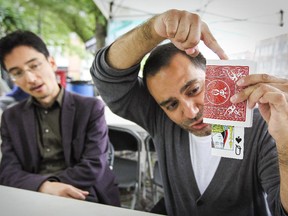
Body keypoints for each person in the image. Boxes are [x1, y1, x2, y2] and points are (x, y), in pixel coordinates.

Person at [90, 9, 288, 215]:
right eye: (171, 105)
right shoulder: (160, 120)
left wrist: (286, 142)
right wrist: (155, 29)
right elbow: (107, 77)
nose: (191, 111)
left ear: (213, 75)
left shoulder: (264, 128)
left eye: (194, 90)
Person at [0, 30, 120, 206]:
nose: (30, 79)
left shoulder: (90, 108)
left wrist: (47, 184)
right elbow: (8, 171)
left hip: (85, 192)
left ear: (52, 62)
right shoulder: (11, 117)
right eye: (17, 73)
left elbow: (94, 165)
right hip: (31, 194)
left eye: (34, 66)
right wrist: (44, 187)